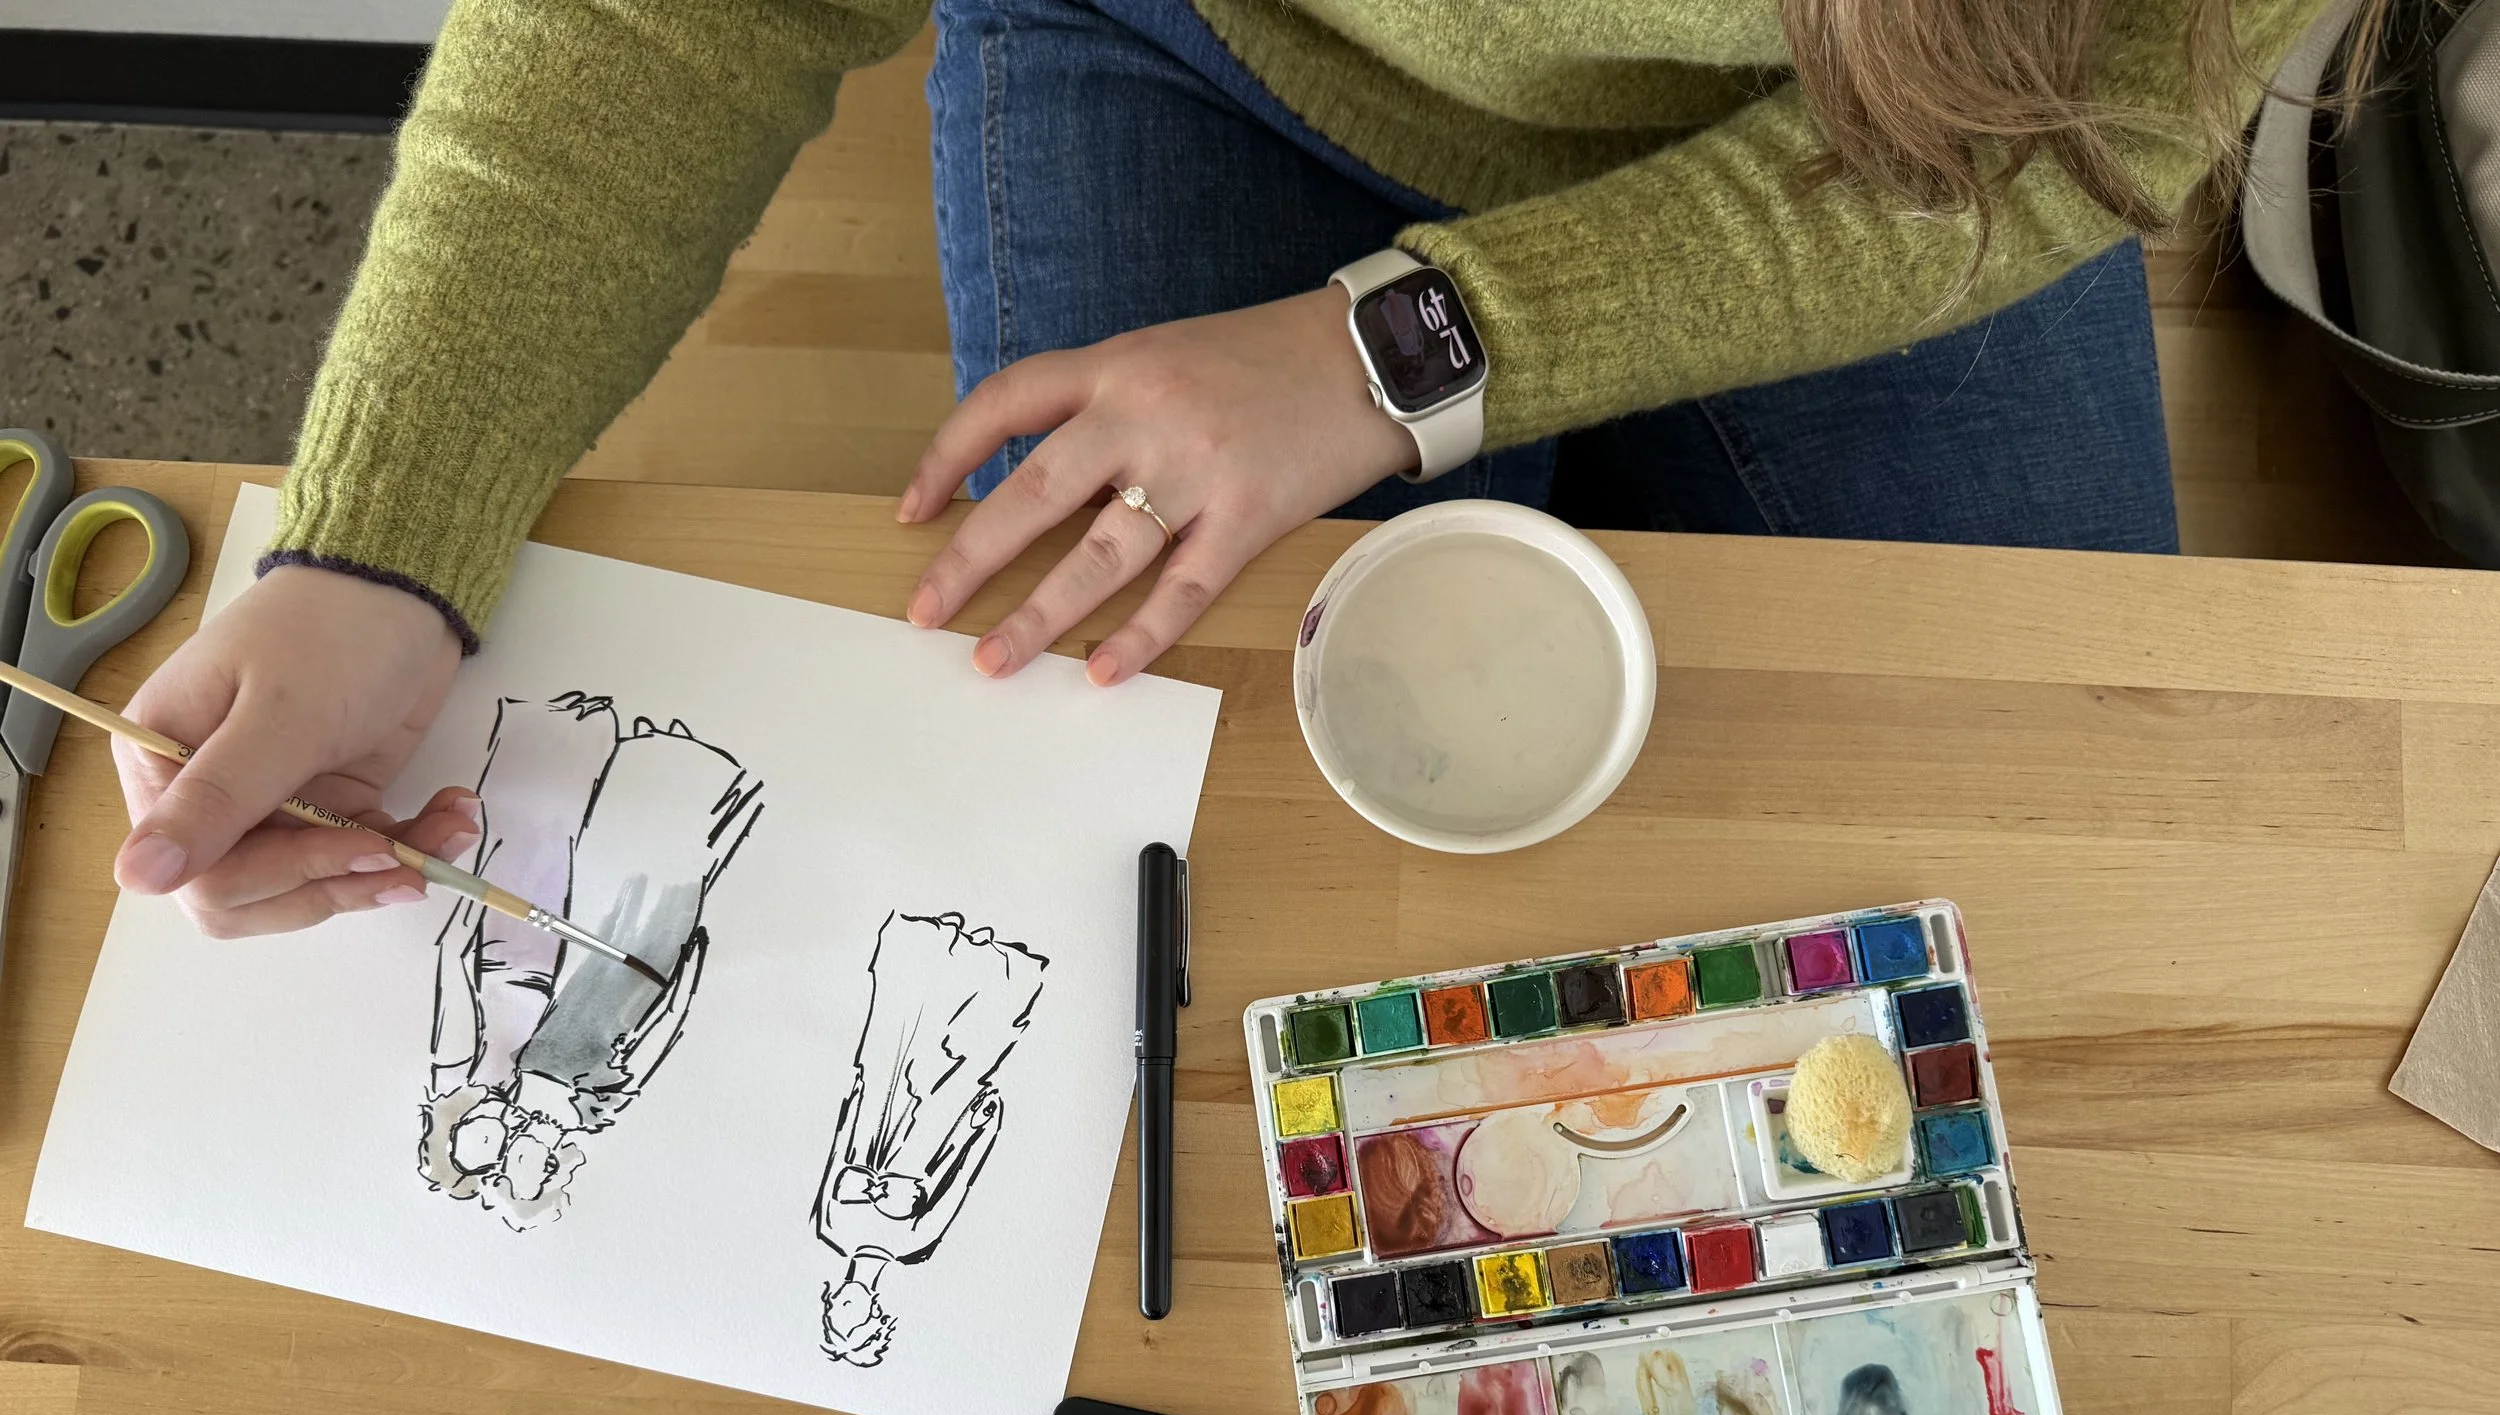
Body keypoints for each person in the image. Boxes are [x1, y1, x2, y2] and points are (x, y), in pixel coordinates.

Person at [111, 0, 2388, 941]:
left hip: (1898, 126)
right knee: (1214, 922)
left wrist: (1403, 350)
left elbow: (2094, 116)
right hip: (1192, 47)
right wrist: (381, 540)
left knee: (2051, 899)